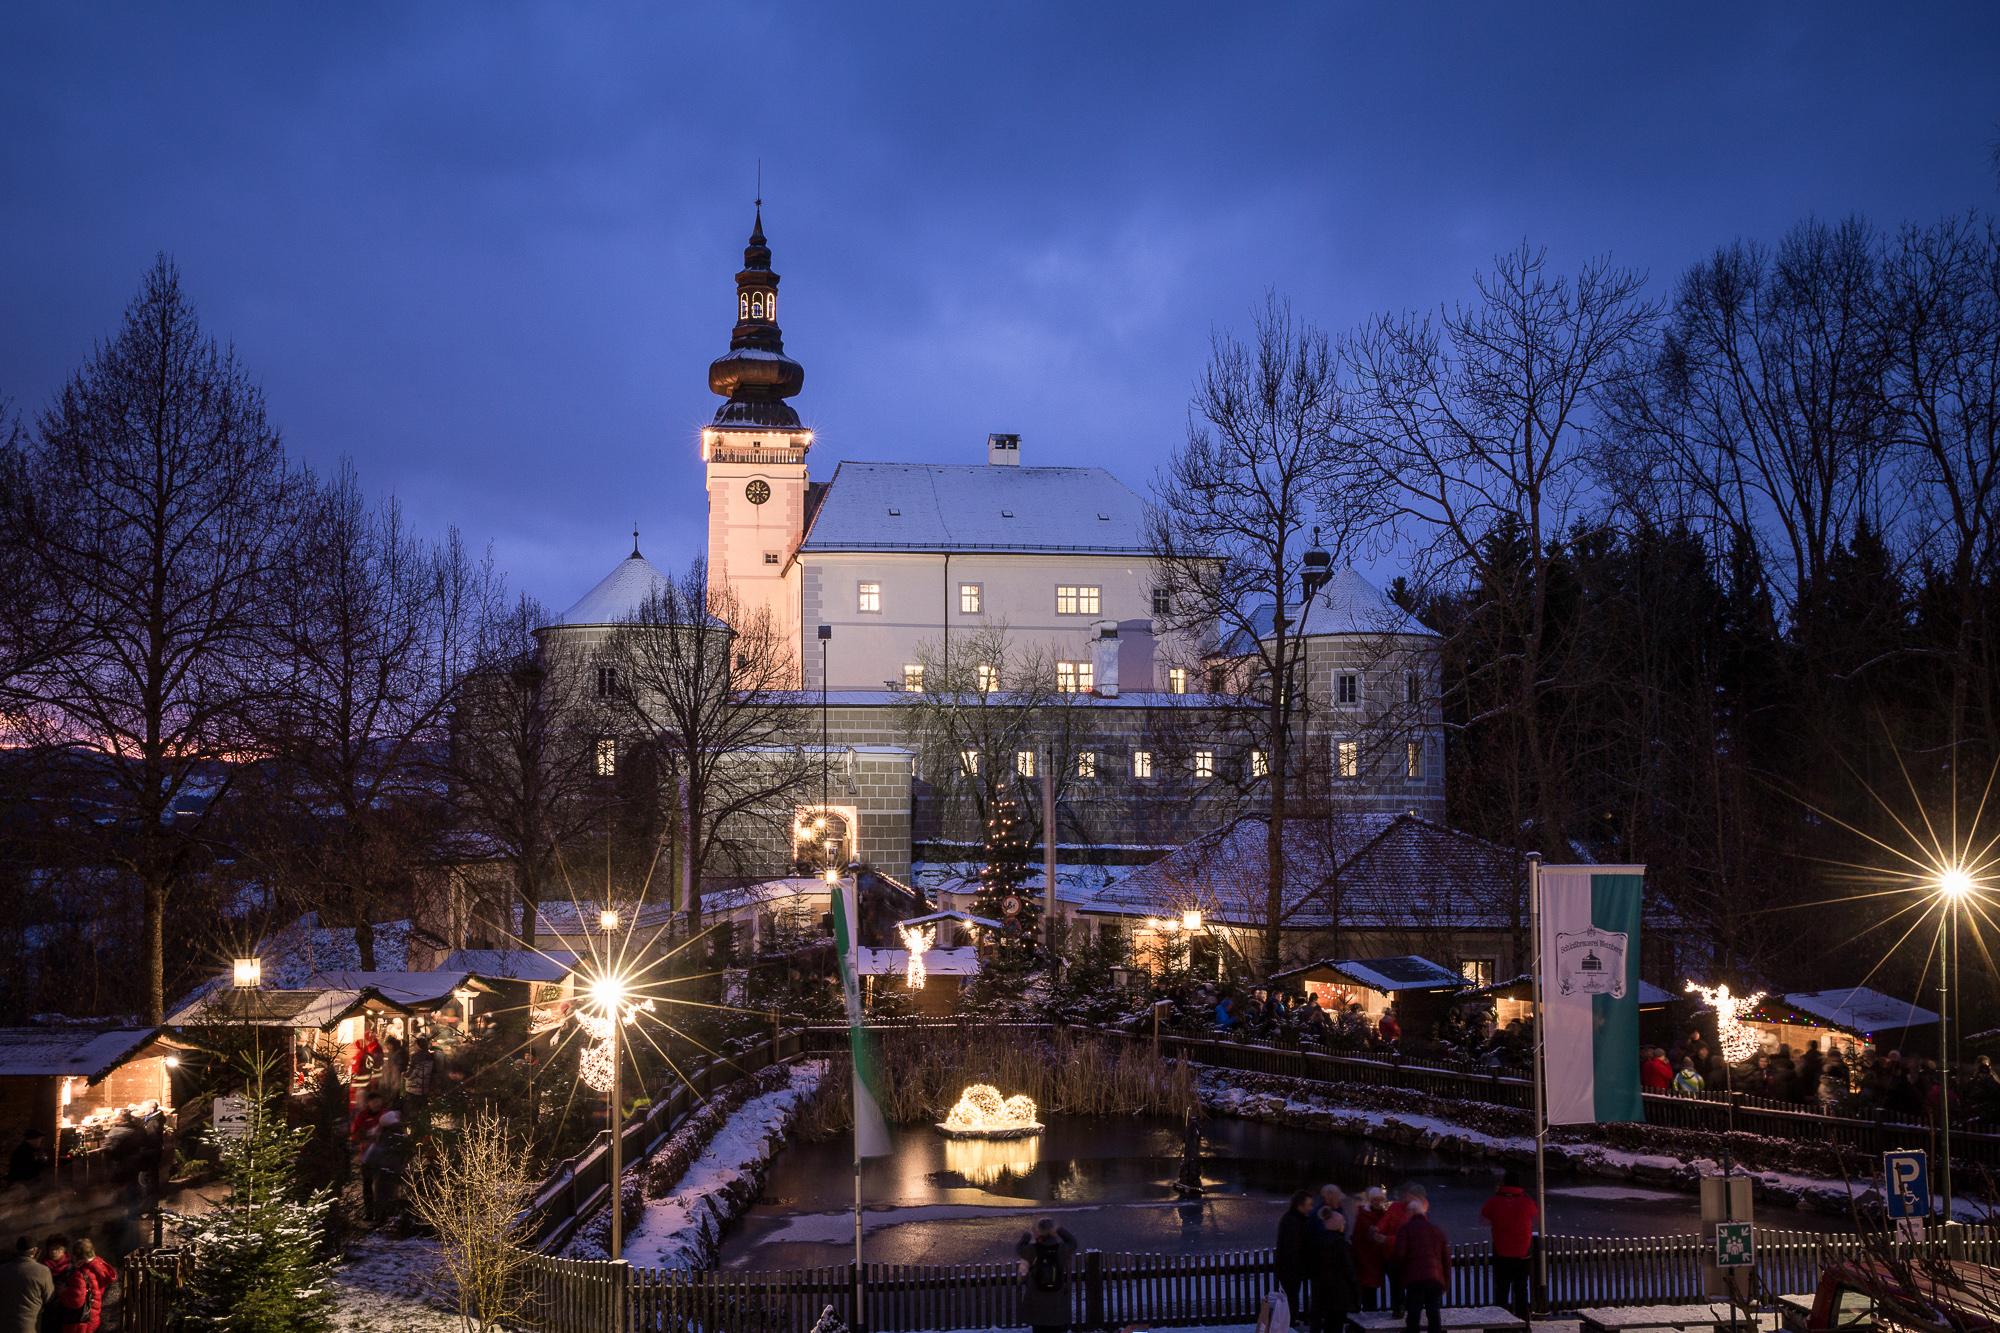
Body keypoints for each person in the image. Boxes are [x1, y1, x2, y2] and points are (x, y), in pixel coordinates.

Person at [1479, 1171, 1538, 1318]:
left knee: (1502, 1291)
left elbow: (1483, 1221)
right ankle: (1523, 1322)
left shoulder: (1493, 1201)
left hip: (1502, 1252)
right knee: (1521, 1290)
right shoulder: (1527, 1202)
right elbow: (1536, 1220)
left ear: (1504, 1184)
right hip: (1523, 1253)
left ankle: (1501, 1323)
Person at [1391, 1197, 1450, 1333]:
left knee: (1413, 1315)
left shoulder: (1404, 1229)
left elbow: (1399, 1255)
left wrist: (1399, 1274)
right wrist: (1445, 1283)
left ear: (1411, 1212)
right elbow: (1446, 1260)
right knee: (1434, 1315)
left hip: (1415, 1279)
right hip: (1435, 1280)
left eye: (1406, 1212)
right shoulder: (1437, 1230)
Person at [1014, 1217, 1078, 1333]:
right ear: (1053, 1231)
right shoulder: (1061, 1249)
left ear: (1039, 1231)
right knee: (1056, 1327)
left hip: (1037, 1295)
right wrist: (1059, 1229)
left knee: (1039, 1327)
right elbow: (1073, 1242)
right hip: (1056, 1295)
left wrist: (1027, 1236)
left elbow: (1019, 1248)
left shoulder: (1033, 1250)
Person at [1312, 1201, 1360, 1333]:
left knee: (1328, 1325)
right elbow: (1349, 1271)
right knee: (1337, 1325)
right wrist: (1357, 1292)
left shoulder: (1318, 1243)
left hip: (1323, 1294)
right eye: (1343, 1224)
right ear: (1338, 1226)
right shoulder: (1342, 1246)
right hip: (1340, 1295)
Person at [1275, 1190, 1318, 1326]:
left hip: (1291, 1268)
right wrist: (1302, 1267)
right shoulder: (1293, 1221)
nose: (1311, 1208)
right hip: (1291, 1269)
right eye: (1309, 1205)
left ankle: (1290, 1322)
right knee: (1291, 1299)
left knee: (1291, 1299)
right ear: (1300, 1206)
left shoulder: (1295, 1219)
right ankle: (1289, 1324)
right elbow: (1292, 1249)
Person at [1376, 1184, 1419, 1316]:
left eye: (1410, 1195)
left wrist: (1386, 1239)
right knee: (1395, 1283)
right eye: (1406, 1194)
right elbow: (1385, 1221)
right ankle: (1399, 1307)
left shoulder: (1417, 1213)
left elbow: (1408, 1238)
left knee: (1409, 1284)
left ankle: (1408, 1309)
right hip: (1391, 1254)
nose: (1406, 1197)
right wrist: (1377, 1229)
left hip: (1407, 1257)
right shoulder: (1395, 1207)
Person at [0, 1237, 53, 1333]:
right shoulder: (42, 1271)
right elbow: (49, 1297)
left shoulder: (2, 1269)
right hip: (29, 1328)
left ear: (16, 1250)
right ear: (35, 1251)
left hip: (4, 1326)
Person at [68, 1238, 115, 1333]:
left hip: (81, 1321)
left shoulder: (81, 1274)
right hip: (93, 1317)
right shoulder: (98, 1268)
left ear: (76, 1255)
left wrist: (63, 1293)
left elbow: (76, 1302)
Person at [1352, 1187, 1388, 1311]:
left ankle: (1368, 1313)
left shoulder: (1384, 1215)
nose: (1378, 1203)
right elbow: (1357, 1240)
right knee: (1367, 1290)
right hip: (1366, 1260)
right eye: (1375, 1200)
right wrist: (1361, 1258)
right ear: (1371, 1201)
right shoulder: (1363, 1217)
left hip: (1377, 1259)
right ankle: (1366, 1315)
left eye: (1380, 1200)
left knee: (1370, 1290)